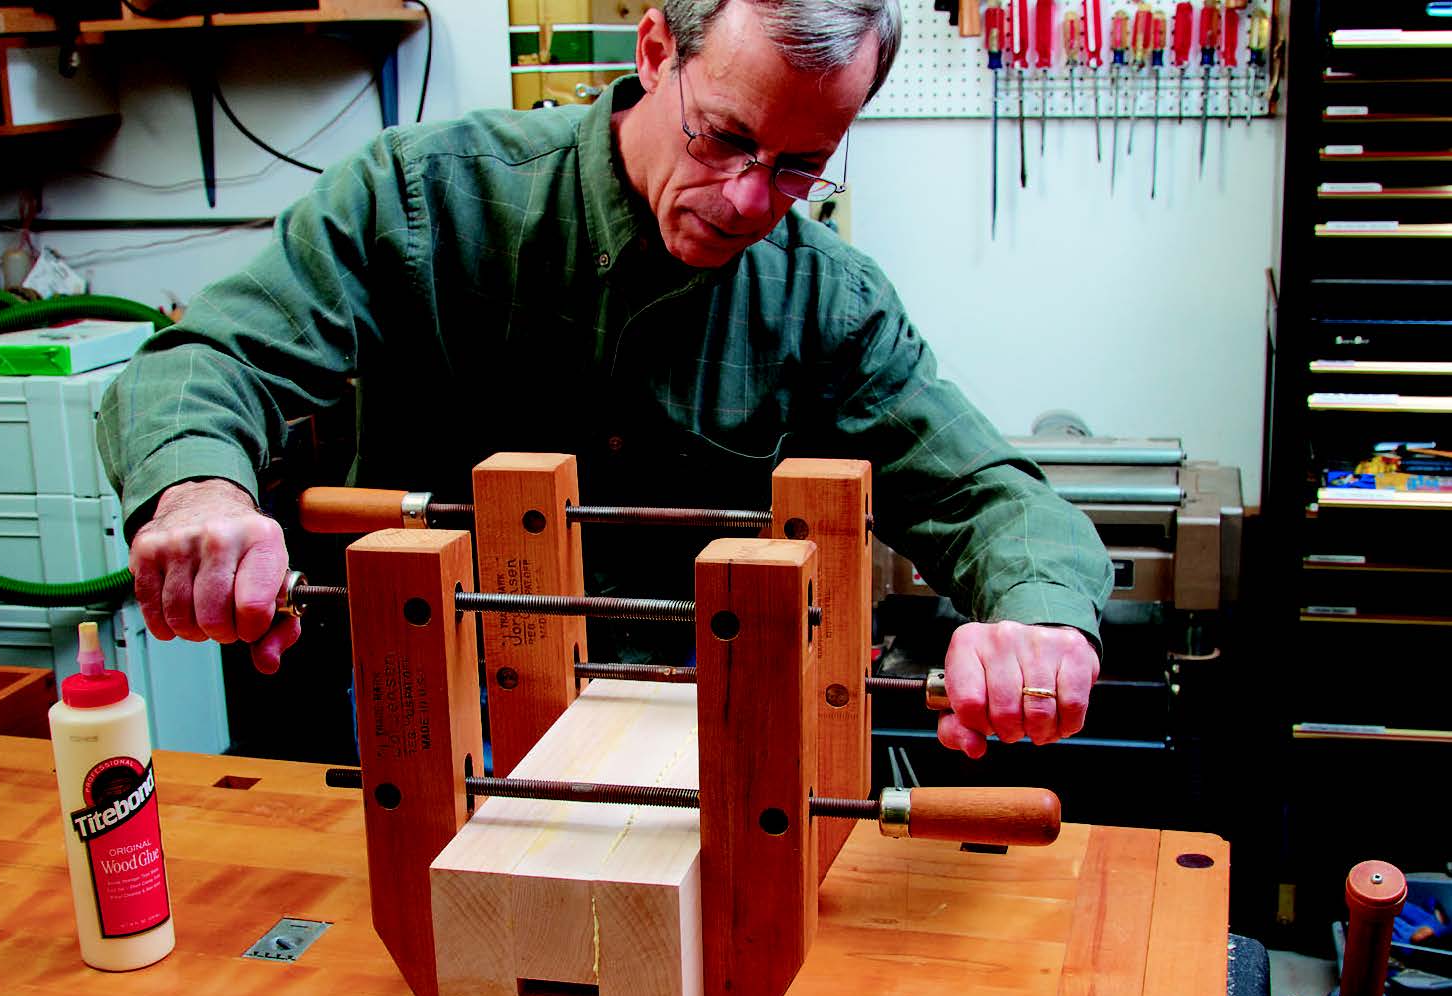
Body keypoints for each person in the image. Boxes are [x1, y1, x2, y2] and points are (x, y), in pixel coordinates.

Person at [98, 0, 1114, 759]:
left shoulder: (828, 303)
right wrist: (198, 491)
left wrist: (1038, 621)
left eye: (801, 165)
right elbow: (205, 360)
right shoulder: (421, 200)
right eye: (724, 137)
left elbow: (986, 495)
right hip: (430, 724)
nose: (749, 199)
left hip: (698, 730)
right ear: (656, 51)